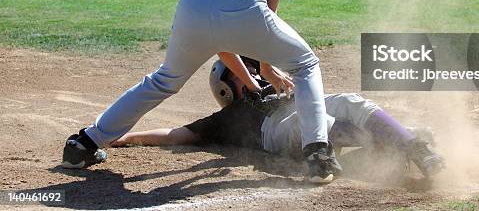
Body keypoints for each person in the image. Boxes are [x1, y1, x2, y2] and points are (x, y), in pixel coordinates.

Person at [62, 0, 342, 184]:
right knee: (305, 64)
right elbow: (266, 15)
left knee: (163, 80)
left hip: (192, 4)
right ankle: (318, 155)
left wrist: (258, 69)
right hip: (244, 0)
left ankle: (83, 144)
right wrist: (266, 66)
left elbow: (220, 36)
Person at [111, 58, 445, 179]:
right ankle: (393, 145)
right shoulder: (226, 118)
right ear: (227, 87)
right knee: (308, 121)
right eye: (242, 72)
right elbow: (173, 134)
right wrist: (125, 136)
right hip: (278, 131)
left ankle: (413, 146)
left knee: (347, 100)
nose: (252, 72)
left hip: (297, 107)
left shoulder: (275, 87)